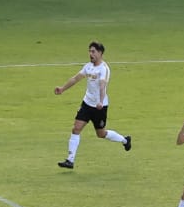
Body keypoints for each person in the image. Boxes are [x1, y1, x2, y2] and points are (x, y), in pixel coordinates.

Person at [53, 41, 131, 169]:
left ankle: (125, 140)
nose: (91, 54)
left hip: (100, 107)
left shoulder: (104, 69)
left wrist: (100, 101)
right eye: (89, 51)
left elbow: (102, 85)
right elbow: (75, 78)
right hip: (87, 103)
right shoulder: (88, 67)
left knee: (101, 134)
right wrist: (62, 89)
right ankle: (70, 160)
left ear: (100, 53)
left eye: (93, 51)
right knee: (76, 128)